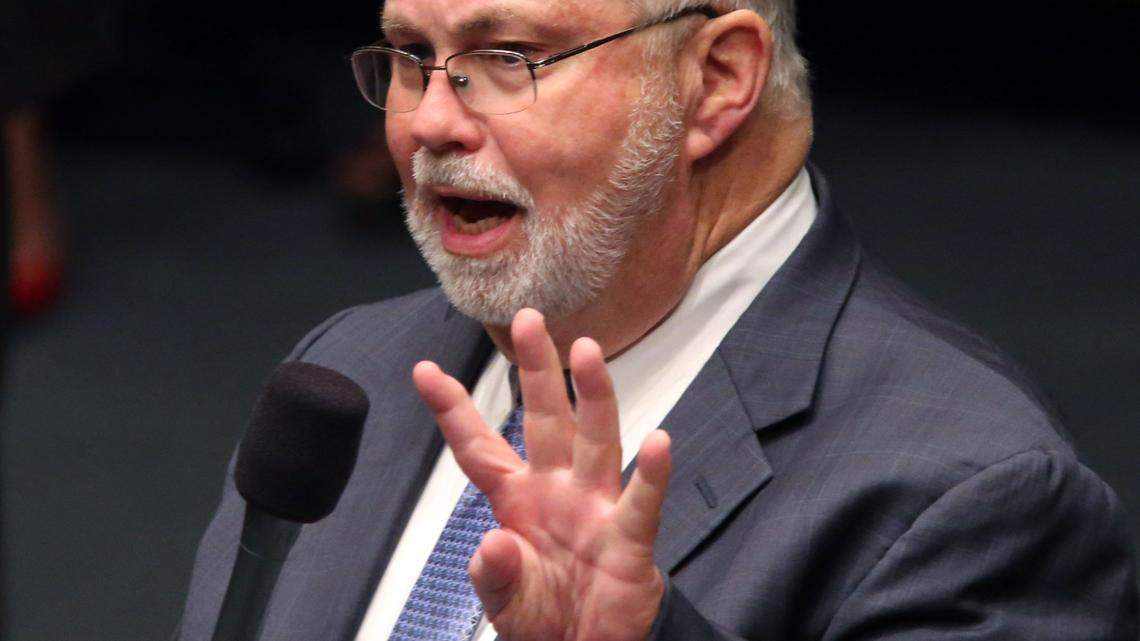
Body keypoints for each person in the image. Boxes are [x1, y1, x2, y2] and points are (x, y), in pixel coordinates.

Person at [178, 0, 1139, 639]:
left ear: (716, 80)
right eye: (413, 58)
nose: (429, 122)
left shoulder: (969, 496)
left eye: (506, 58)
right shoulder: (348, 376)